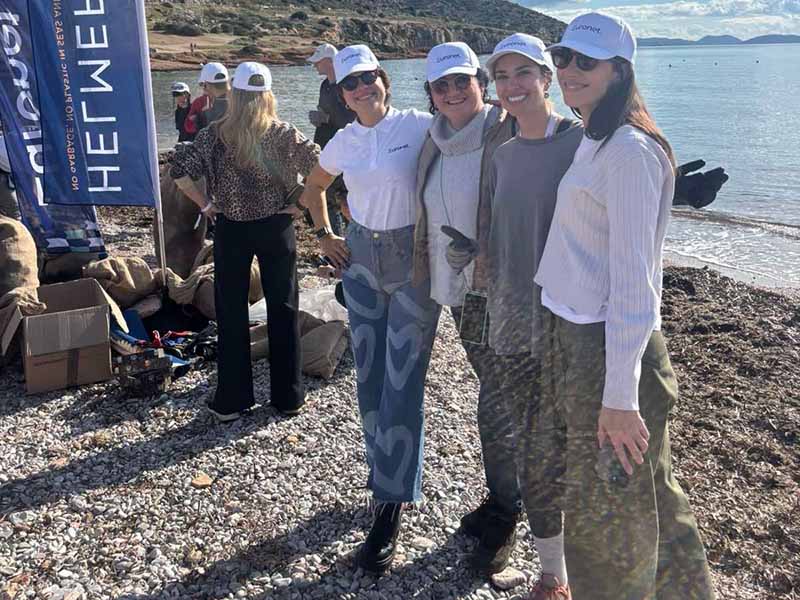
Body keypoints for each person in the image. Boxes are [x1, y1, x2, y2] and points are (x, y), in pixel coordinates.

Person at [531, 13, 716, 599]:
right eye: (562, 57)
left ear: (619, 71)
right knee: (652, 490)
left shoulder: (629, 152)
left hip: (607, 344)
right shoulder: (596, 136)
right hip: (580, 334)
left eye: (586, 61)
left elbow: (637, 286)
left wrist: (618, 397)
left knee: (605, 510)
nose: (568, 70)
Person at [299, 44, 439, 575]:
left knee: (403, 379)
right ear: (341, 94)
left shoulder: (420, 124)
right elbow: (313, 188)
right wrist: (325, 236)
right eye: (349, 84)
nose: (360, 89)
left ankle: (390, 503)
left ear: (384, 79)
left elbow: (475, 144)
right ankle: (387, 474)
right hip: (360, 263)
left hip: (412, 266)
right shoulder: (343, 140)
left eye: (367, 79)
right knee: (369, 376)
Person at [170, 62, 320, 422]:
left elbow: (177, 171)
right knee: (283, 307)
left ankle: (233, 399)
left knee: (231, 311)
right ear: (268, 96)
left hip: (231, 228)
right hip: (276, 226)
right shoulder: (284, 132)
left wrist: (206, 205)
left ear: (234, 96)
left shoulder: (213, 134)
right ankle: (288, 396)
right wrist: (300, 203)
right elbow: (323, 165)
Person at [307, 43, 356, 236]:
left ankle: (351, 239)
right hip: (327, 147)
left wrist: (327, 119)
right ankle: (338, 241)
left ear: (328, 61)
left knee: (346, 197)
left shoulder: (348, 85)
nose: (314, 66)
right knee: (328, 195)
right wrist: (319, 118)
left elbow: (354, 119)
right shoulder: (325, 85)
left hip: (346, 150)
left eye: (317, 62)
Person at [183, 62, 230, 141]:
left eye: (202, 85)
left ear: (205, 85)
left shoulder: (203, 107)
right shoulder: (239, 103)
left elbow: (205, 143)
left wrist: (201, 118)